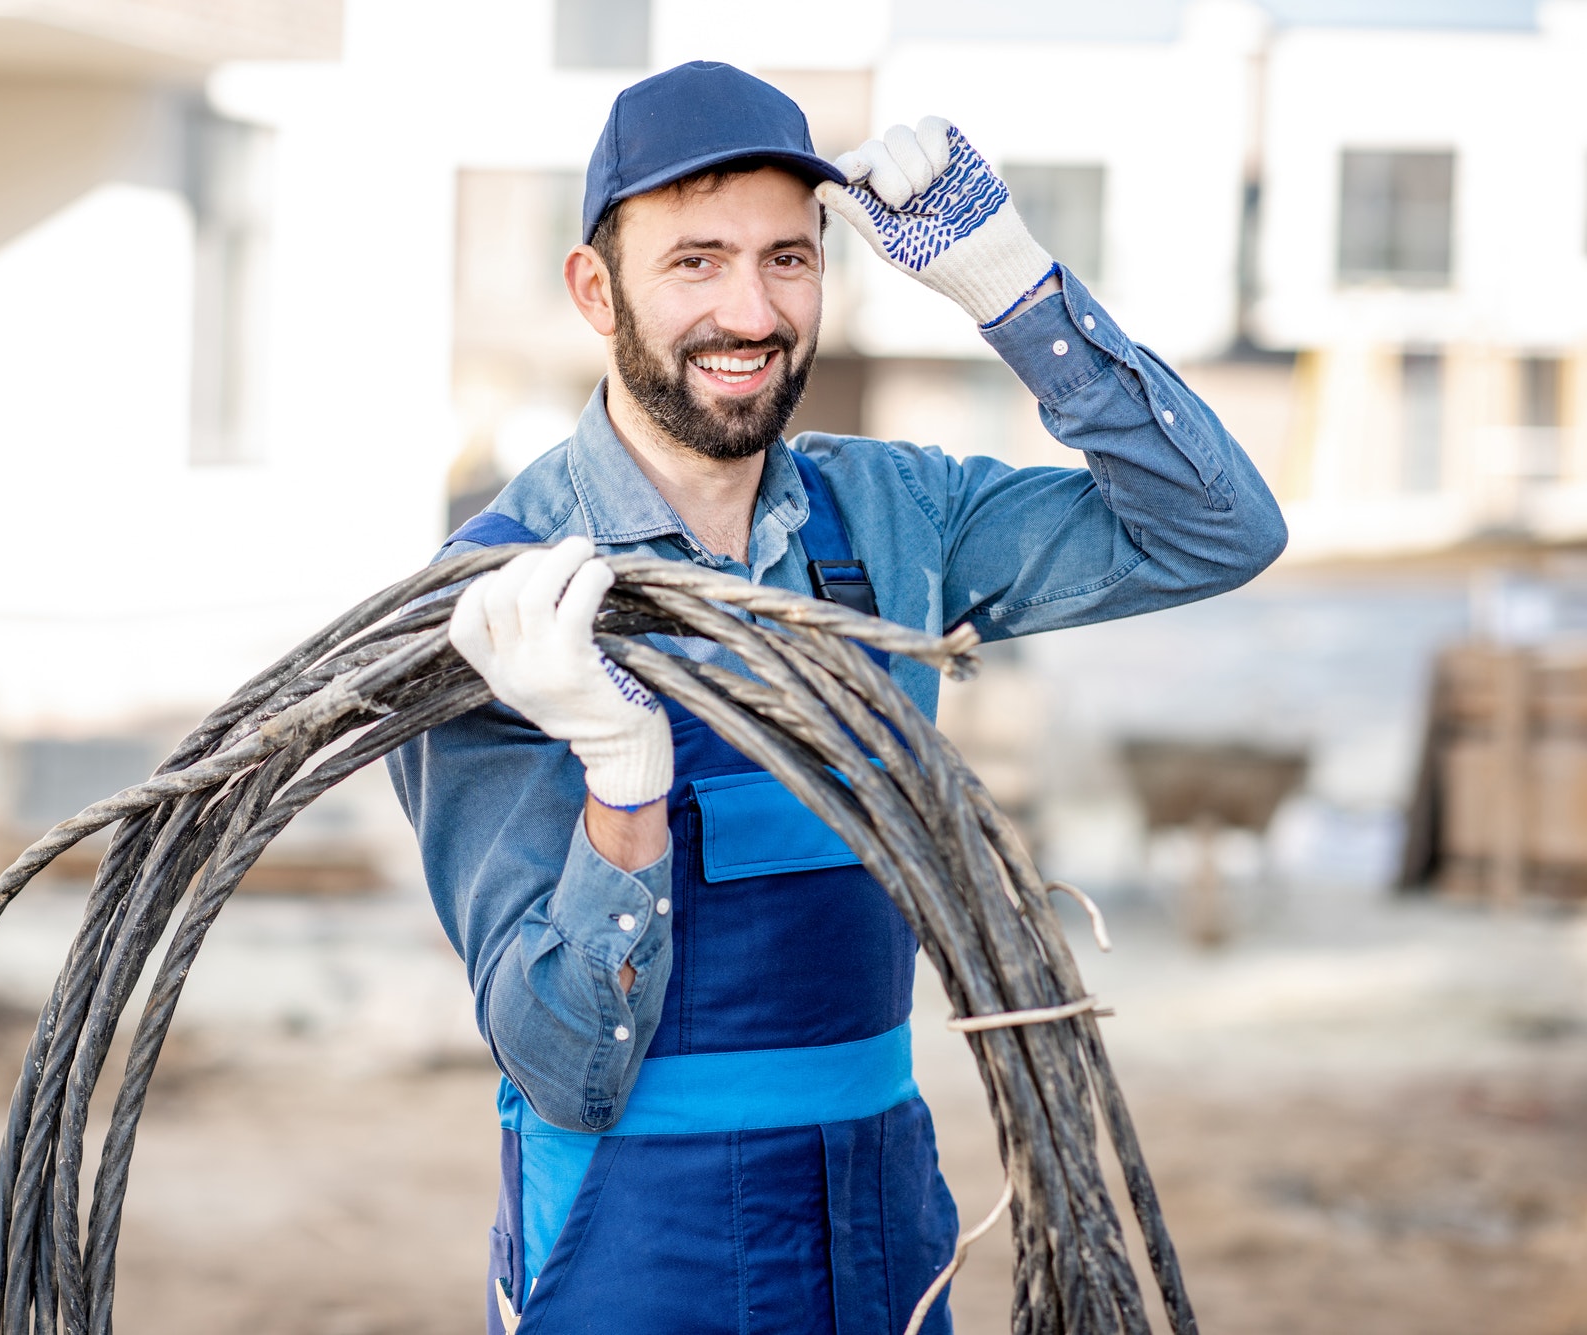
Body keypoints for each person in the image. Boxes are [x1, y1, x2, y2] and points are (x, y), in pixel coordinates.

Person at [389, 61, 1285, 1335]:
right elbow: (565, 1068)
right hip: (634, 1246)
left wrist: (1019, 297)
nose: (748, 310)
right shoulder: (498, 605)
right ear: (596, 289)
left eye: (786, 260)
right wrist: (621, 791)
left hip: (878, 1220)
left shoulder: (893, 518)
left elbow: (1214, 533)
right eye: (693, 262)